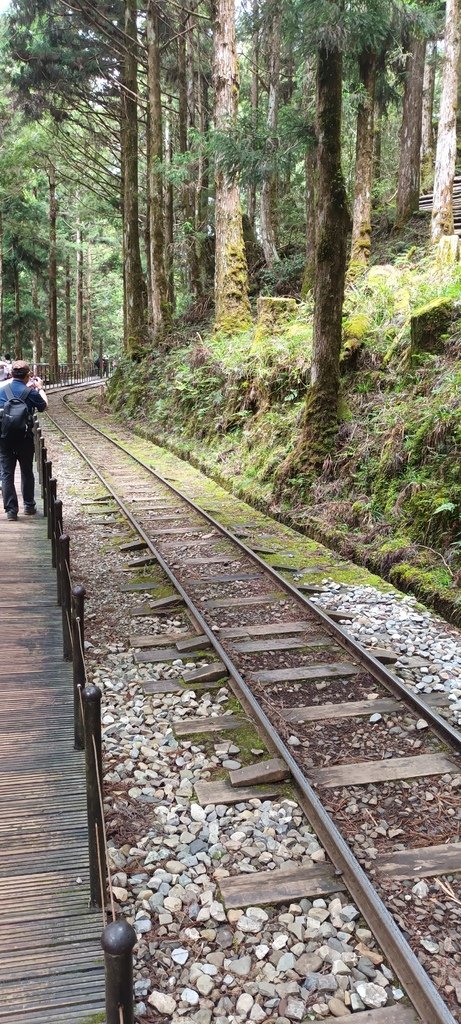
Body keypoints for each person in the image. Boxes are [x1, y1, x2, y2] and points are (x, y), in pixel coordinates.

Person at [0, 360, 48, 521]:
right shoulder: (31, 392)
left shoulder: (2, 391)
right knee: (27, 471)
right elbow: (44, 406)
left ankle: (11, 511)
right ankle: (28, 506)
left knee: (7, 473)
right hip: (25, 438)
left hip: (4, 438)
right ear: (28, 376)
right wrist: (40, 388)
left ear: (12, 374)